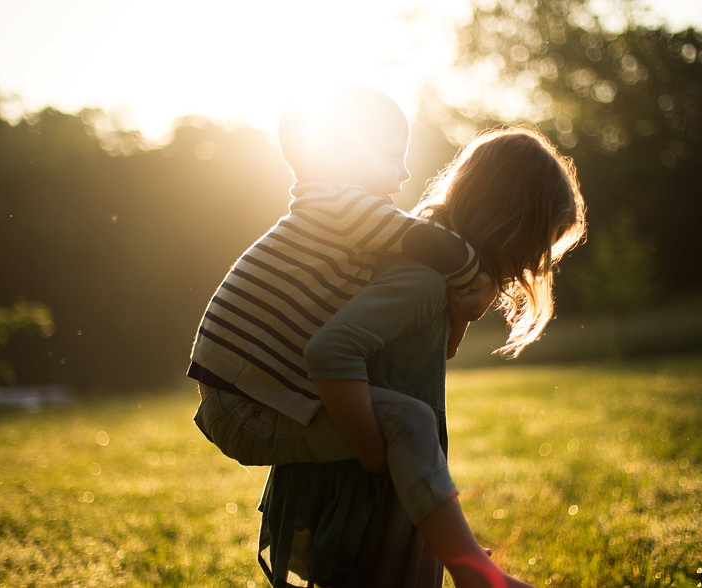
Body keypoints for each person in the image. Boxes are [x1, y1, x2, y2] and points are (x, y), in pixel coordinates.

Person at [189, 85, 497, 577]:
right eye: (394, 156)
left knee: (403, 421)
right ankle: (469, 568)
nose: (403, 174)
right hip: (245, 406)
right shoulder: (339, 206)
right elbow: (430, 242)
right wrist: (474, 281)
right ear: (350, 154)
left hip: (243, 399)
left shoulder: (331, 216)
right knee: (410, 422)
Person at [259, 126, 586, 587]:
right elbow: (334, 351)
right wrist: (375, 453)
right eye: (541, 240)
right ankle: (477, 574)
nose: (536, 262)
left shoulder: (435, 276)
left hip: (392, 482)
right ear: (509, 222)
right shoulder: (422, 280)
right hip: (364, 486)